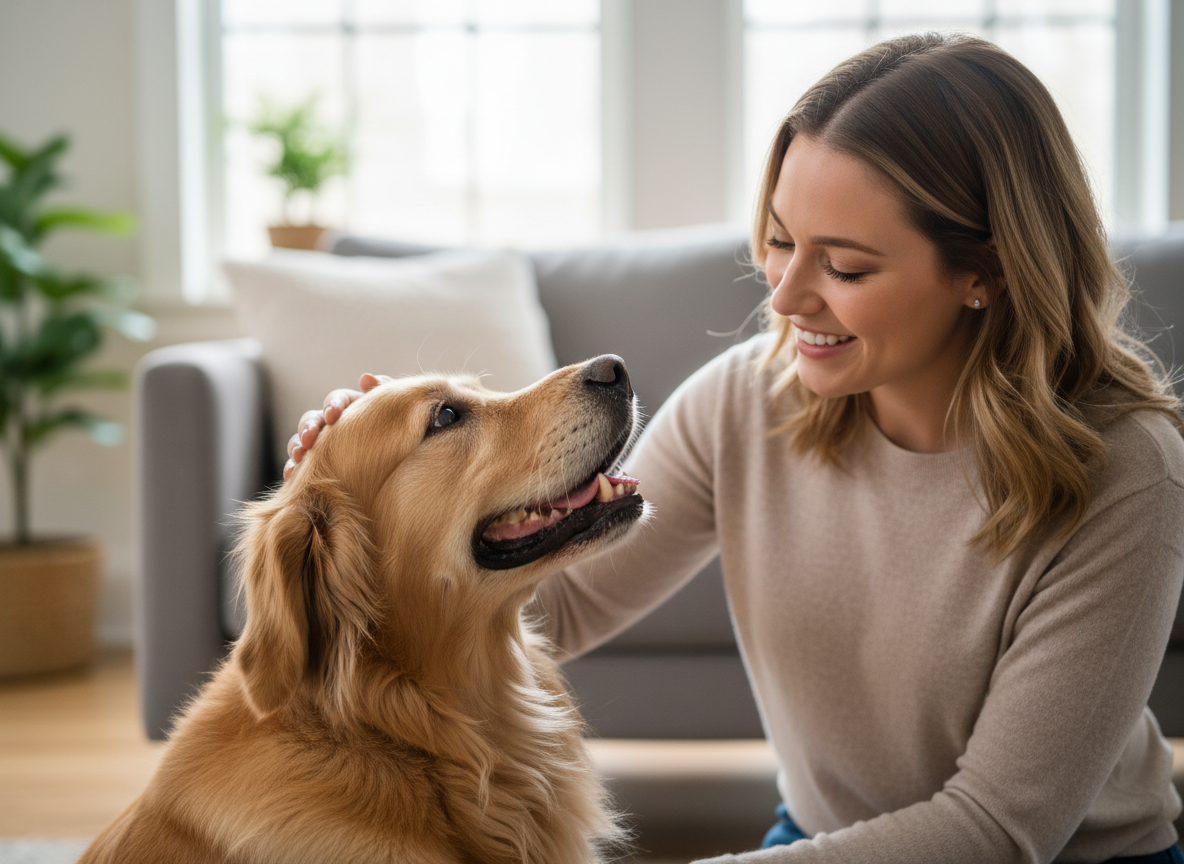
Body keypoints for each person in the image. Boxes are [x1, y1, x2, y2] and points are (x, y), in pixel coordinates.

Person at [285, 33, 1184, 864]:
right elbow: (558, 612)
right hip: (822, 840)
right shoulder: (750, 399)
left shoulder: (1128, 468)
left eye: (846, 266)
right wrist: (361, 527)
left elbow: (996, 828)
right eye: (782, 242)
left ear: (986, 271)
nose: (788, 298)